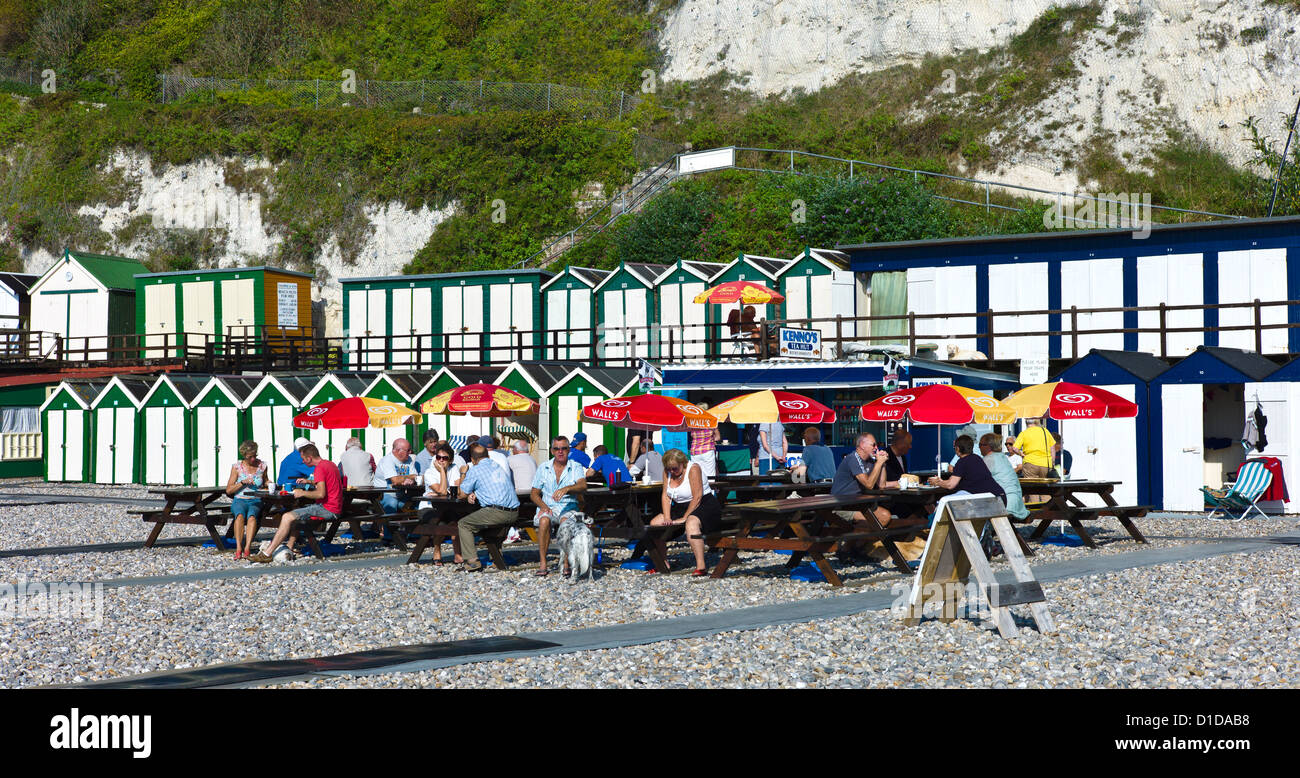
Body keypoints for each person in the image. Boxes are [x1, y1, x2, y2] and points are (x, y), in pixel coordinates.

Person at [250, 444, 342, 563]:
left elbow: (320, 494)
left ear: (309, 458)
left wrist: (302, 493)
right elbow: (326, 483)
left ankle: (267, 553)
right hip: (336, 507)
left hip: (328, 508)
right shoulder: (330, 464)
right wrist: (310, 482)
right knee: (297, 513)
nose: (303, 462)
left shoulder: (319, 468)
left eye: (303, 459)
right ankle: (289, 546)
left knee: (287, 516)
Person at [648, 448, 724, 576]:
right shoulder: (667, 472)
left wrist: (684, 517)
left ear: (682, 463)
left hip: (704, 503)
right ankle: (663, 562)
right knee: (655, 523)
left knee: (691, 522)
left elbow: (697, 497)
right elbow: (666, 496)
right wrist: (667, 517)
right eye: (669, 468)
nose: (672, 471)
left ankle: (701, 566)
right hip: (680, 506)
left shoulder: (693, 469)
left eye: (675, 468)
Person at [831, 433, 921, 530]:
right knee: (880, 519)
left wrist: (882, 464)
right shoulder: (853, 458)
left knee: (885, 516)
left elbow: (882, 485)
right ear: (862, 445)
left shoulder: (870, 461)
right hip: (842, 505)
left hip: (857, 504)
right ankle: (850, 540)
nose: (876, 448)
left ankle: (855, 540)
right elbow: (869, 484)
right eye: (873, 445)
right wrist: (879, 462)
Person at [455, 443, 521, 572]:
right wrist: (476, 493)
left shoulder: (475, 469)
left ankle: (472, 562)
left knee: (464, 524)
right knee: (490, 527)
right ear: (487, 455)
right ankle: (496, 558)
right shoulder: (497, 466)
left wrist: (463, 473)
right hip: (514, 512)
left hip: (497, 512)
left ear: (473, 459)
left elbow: (461, 494)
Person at [529, 435, 588, 576]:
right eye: (557, 449)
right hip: (548, 505)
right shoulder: (544, 468)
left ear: (569, 450)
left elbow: (583, 485)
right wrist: (543, 506)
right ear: (552, 451)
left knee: (565, 522)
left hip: (569, 505)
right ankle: (543, 562)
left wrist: (567, 488)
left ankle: (566, 561)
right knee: (544, 520)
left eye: (564, 448)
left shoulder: (575, 467)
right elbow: (534, 493)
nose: (560, 451)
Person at [930, 435, 1006, 503]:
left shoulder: (962, 462)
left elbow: (951, 485)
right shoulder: (977, 458)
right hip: (999, 496)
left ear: (957, 449)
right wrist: (942, 482)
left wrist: (937, 483)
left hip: (988, 501)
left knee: (944, 502)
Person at [226, 440, 267, 560]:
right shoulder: (237, 467)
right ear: (244, 455)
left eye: (255, 456)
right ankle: (239, 547)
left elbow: (264, 482)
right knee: (239, 516)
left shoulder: (262, 466)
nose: (253, 459)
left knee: (252, 516)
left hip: (255, 499)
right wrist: (242, 482)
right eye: (250, 457)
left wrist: (268, 484)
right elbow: (229, 490)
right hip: (240, 499)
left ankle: (247, 547)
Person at [980, 433, 1029, 520]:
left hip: (1005, 503)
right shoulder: (1002, 457)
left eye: (981, 445)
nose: (979, 447)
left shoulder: (989, 459)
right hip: (1017, 502)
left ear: (989, 446)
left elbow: (978, 480)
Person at [1011, 418, 1056, 503]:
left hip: (1030, 463)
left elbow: (1015, 448)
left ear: (1026, 423)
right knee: (1045, 489)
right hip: (1045, 464)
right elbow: (1052, 448)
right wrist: (1052, 462)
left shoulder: (1024, 433)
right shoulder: (1045, 431)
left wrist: (1021, 454)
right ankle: (1047, 511)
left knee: (1032, 490)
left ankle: (1035, 512)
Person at [373, 438, 422, 514]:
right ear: (398, 451)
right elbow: (395, 480)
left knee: (419, 501)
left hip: (401, 494)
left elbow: (415, 476)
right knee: (392, 503)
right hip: (383, 494)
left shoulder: (409, 459)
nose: (410, 452)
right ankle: (388, 525)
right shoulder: (387, 460)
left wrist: (408, 480)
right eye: (408, 450)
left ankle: (414, 525)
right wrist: (409, 477)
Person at [688, 402, 718, 478]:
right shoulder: (711, 421)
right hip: (707, 451)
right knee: (710, 476)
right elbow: (717, 437)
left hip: (695, 452)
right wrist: (712, 439)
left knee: (697, 476)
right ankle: (710, 490)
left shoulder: (692, 422)